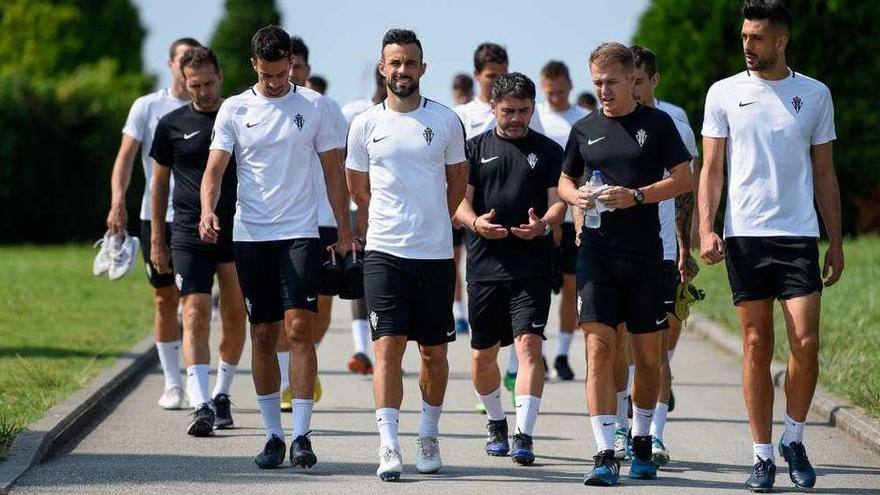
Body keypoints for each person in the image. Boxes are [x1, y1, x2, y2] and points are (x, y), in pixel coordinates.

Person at [698, 1, 843, 491]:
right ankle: (762, 455)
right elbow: (711, 170)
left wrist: (836, 241)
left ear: (781, 40)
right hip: (745, 237)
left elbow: (825, 174)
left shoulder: (815, 95)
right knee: (757, 345)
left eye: (756, 37)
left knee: (806, 342)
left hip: (799, 235)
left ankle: (794, 438)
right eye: (744, 36)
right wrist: (705, 227)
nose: (747, 45)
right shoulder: (723, 93)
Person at [201, 25, 352, 469]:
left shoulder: (317, 106)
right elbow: (214, 170)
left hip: (300, 234)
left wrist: (344, 231)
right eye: (267, 75)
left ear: (292, 63)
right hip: (251, 235)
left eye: (282, 73)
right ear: (254, 65)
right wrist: (208, 210)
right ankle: (271, 436)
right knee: (263, 333)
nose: (275, 82)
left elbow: (333, 173)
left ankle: (302, 434)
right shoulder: (234, 108)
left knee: (300, 329)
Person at [558, 42, 692, 486]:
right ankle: (602, 452)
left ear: (633, 79)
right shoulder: (584, 129)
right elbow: (565, 177)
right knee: (598, 350)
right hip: (596, 253)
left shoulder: (657, 124)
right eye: (596, 82)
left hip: (646, 256)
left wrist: (636, 196)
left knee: (647, 358)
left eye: (611, 82)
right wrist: (573, 196)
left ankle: (640, 440)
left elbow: (684, 177)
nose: (603, 90)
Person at [346, 28, 468, 481]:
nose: (402, 70)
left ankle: (428, 435)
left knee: (434, 355)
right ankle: (389, 444)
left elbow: (458, 180)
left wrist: (436, 216)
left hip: (434, 255)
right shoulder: (365, 123)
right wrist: (386, 219)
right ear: (383, 68)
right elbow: (357, 187)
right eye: (394, 63)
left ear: (422, 67)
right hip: (384, 253)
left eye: (410, 62)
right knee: (387, 349)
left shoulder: (445, 121)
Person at [456, 72, 565, 465]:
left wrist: (545, 225)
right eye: (508, 111)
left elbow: (558, 203)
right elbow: (460, 203)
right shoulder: (473, 149)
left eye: (523, 111)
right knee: (483, 356)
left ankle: (524, 433)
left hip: (532, 265)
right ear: (493, 108)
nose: (516, 118)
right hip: (485, 266)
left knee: (528, 348)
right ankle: (497, 422)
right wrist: (475, 223)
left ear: (532, 108)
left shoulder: (550, 151)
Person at [149, 46, 246, 435]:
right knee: (193, 313)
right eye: (194, 86)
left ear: (220, 76)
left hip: (240, 230)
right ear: (183, 83)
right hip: (188, 230)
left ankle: (222, 392)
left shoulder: (240, 117)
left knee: (237, 315)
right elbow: (157, 186)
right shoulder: (171, 124)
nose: (203, 91)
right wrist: (159, 238)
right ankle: (201, 402)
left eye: (208, 83)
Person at [105, 37, 201, 410]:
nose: (187, 66)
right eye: (182, 60)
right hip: (156, 216)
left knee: (194, 302)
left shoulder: (210, 106)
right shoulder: (148, 106)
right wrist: (118, 202)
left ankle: (197, 382)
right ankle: (173, 383)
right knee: (165, 299)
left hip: (196, 218)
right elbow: (125, 158)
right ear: (171, 64)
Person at [630, 44, 700, 465]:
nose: (633, 89)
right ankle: (626, 426)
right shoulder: (610, 120)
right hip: (620, 250)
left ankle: (654, 436)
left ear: (653, 80)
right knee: (625, 349)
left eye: (640, 81)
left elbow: (685, 191)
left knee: (656, 348)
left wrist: (685, 248)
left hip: (663, 250)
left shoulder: (676, 123)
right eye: (628, 80)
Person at [275, 35, 351, 411]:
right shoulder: (267, 108)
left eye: (299, 67)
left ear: (305, 68)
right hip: (281, 224)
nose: (293, 73)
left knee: (320, 305)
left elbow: (341, 166)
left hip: (323, 220)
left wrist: (348, 221)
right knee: (283, 311)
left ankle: (308, 359)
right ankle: (292, 377)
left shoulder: (326, 108)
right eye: (288, 67)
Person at [453, 43, 519, 395]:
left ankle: (512, 367)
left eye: (503, 75)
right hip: (473, 216)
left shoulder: (520, 110)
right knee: (479, 288)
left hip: (515, 220)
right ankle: (486, 375)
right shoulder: (460, 116)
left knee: (518, 298)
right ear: (477, 75)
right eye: (492, 76)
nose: (497, 81)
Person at [530, 60, 589, 381]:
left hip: (573, 217)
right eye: (549, 91)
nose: (554, 96)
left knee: (571, 285)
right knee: (537, 285)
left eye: (559, 90)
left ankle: (563, 354)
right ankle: (534, 349)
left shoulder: (583, 118)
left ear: (569, 84)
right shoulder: (535, 116)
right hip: (540, 215)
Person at [340, 67, 387, 374]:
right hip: (358, 204)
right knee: (359, 276)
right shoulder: (354, 113)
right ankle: (361, 349)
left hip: (392, 210)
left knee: (384, 281)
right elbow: (342, 162)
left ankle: (383, 347)